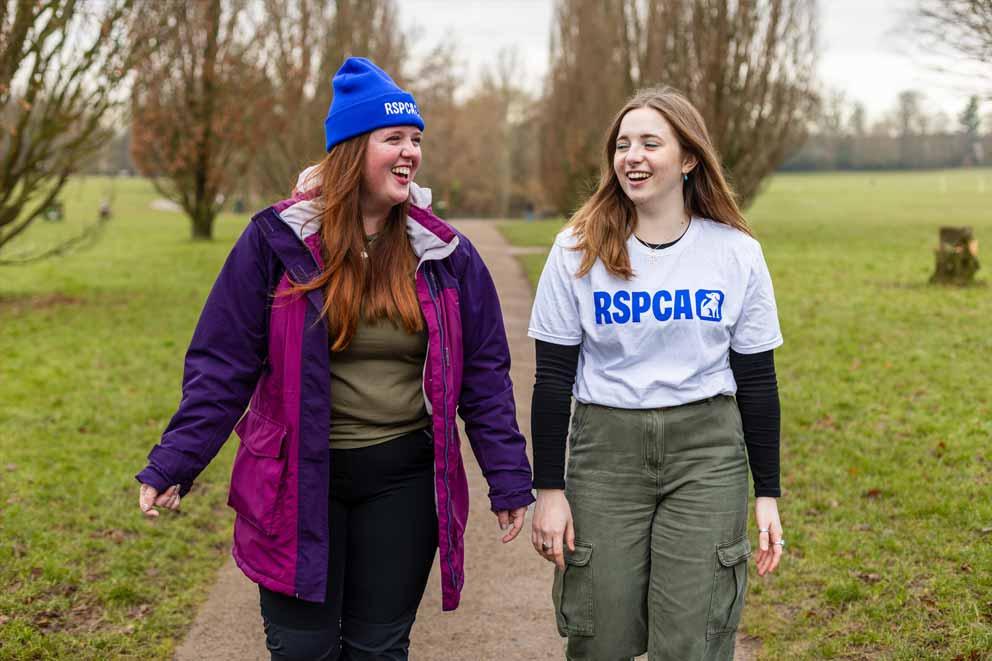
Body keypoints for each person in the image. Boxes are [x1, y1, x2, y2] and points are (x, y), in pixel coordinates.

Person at [135, 57, 534, 661]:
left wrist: (507, 478)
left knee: (379, 649)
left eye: (416, 140)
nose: (410, 152)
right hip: (296, 481)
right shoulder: (276, 242)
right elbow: (223, 363)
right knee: (303, 650)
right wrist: (176, 461)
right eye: (394, 138)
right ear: (351, 149)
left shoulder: (446, 253)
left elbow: (484, 376)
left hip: (402, 480)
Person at [528, 87, 785, 660]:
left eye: (650, 142)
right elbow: (551, 383)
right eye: (622, 145)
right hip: (606, 455)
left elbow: (759, 383)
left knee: (690, 642)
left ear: (688, 158)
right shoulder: (577, 249)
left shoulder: (735, 253)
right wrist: (549, 490)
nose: (632, 157)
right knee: (601, 637)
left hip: (707, 454)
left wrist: (766, 493)